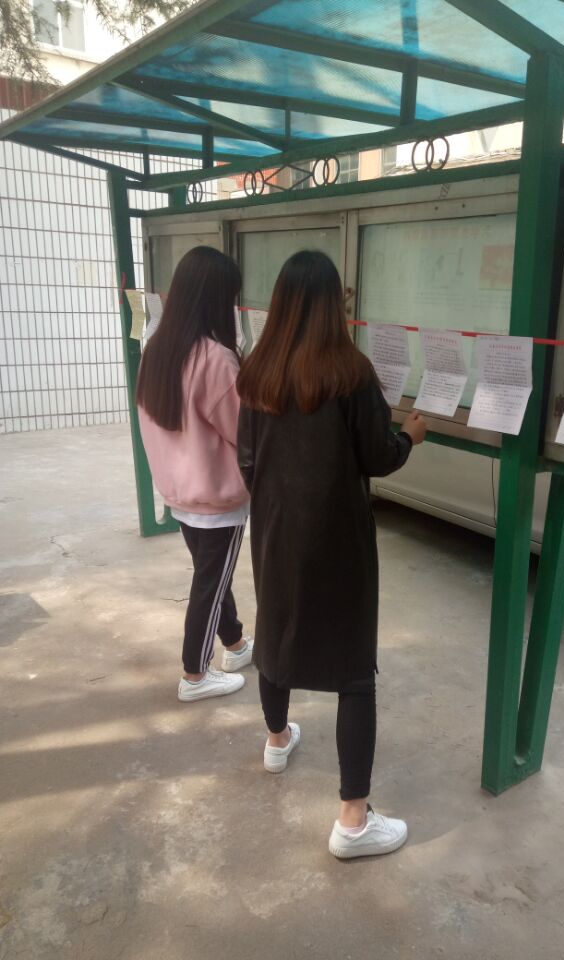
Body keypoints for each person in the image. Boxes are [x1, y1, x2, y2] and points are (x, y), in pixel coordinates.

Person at [236, 250, 426, 859]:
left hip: (275, 533)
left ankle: (276, 741)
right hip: (339, 540)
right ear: (331, 305)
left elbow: (246, 462)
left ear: (281, 303)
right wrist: (410, 436)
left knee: (277, 633)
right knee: (351, 669)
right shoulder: (351, 372)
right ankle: (352, 822)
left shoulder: (256, 371)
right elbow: (378, 456)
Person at [136, 246, 253, 703]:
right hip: (218, 496)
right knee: (209, 583)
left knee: (212, 577)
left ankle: (236, 645)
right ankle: (195, 674)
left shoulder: (157, 349)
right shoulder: (216, 358)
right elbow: (244, 432)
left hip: (180, 493)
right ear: (217, 299)